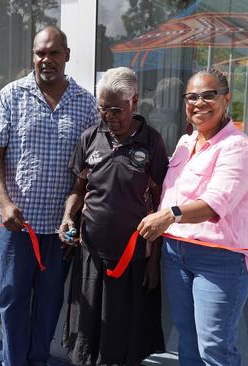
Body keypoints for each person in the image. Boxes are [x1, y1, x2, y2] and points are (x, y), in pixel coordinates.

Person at [0, 26, 100, 366]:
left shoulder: (87, 103)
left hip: (60, 230)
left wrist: (77, 213)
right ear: (33, 55)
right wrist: (4, 203)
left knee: (49, 303)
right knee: (12, 299)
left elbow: (92, 166)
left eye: (53, 52)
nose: (45, 59)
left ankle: (37, 360)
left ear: (67, 55)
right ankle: (14, 361)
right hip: (17, 226)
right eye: (39, 53)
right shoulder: (10, 96)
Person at [137, 69, 248, 366]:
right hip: (175, 254)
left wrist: (168, 216)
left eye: (209, 95)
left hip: (218, 260)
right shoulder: (184, 142)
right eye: (192, 97)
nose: (199, 103)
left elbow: (214, 204)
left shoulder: (237, 147)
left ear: (226, 99)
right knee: (188, 339)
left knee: (214, 348)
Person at [59, 67, 167, 365]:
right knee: (88, 333)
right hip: (91, 254)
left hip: (133, 259)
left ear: (134, 101)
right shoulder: (90, 138)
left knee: (124, 337)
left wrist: (154, 262)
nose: (109, 116)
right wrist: (68, 217)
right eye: (102, 108)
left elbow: (160, 205)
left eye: (116, 109)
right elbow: (78, 189)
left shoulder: (152, 142)